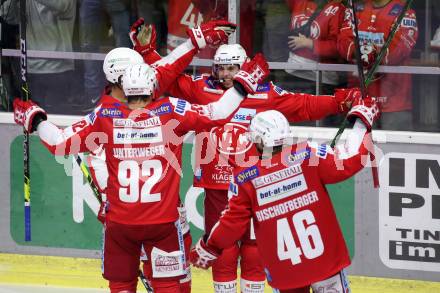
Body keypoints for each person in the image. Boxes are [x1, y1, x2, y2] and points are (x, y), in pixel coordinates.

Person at [130, 20, 364, 293]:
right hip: (219, 186)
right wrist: (148, 54)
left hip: (258, 185)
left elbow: (305, 104)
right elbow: (165, 80)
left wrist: (340, 101)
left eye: (232, 68)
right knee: (225, 249)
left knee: (254, 249)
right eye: (220, 68)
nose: (225, 74)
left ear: (244, 68)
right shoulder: (202, 89)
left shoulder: (266, 94)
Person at [13, 47, 270, 293]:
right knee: (169, 286)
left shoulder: (105, 115)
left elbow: (59, 143)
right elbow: (219, 112)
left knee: (121, 286)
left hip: (121, 225)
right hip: (162, 225)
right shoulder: (171, 110)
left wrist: (35, 119)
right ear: (151, 87)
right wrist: (243, 84)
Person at [86, 19, 236, 293]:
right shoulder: (111, 112)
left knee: (176, 266)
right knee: (148, 269)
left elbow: (166, 69)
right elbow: (96, 158)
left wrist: (189, 43)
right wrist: (109, 196)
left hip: (162, 206)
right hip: (134, 210)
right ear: (122, 77)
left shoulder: (120, 101)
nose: (148, 74)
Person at [189, 98, 381, 292]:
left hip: (285, 271)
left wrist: (208, 248)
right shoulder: (308, 154)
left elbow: (232, 224)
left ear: (258, 141)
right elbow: (351, 159)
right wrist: (362, 122)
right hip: (325, 262)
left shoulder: (245, 178)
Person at [337, 0, 418, 130]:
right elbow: (342, 43)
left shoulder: (405, 11)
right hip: (360, 100)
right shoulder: (355, 8)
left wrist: (372, 53)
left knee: (394, 148)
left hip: (394, 103)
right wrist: (360, 52)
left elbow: (398, 49)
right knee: (356, 149)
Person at [0, 0, 77, 114]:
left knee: (56, 122)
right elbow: (7, 15)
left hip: (58, 69)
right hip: (30, 70)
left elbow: (62, 6)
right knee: (31, 123)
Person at [284, 0, 347, 127]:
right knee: (292, 128)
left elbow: (342, 49)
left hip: (322, 80)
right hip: (294, 74)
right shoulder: (299, 2)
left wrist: (310, 43)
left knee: (319, 131)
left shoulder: (337, 8)